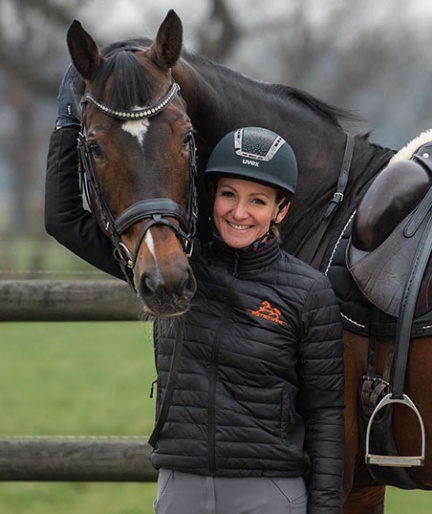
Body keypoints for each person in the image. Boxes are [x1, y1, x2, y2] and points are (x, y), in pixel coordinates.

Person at [45, 67, 345, 514]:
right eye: (228, 194)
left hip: (270, 492)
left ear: (281, 210)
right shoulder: (174, 267)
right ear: (210, 195)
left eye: (258, 201)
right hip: (180, 488)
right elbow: (64, 219)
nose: (239, 212)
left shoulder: (308, 292)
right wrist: (68, 123)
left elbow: (325, 415)